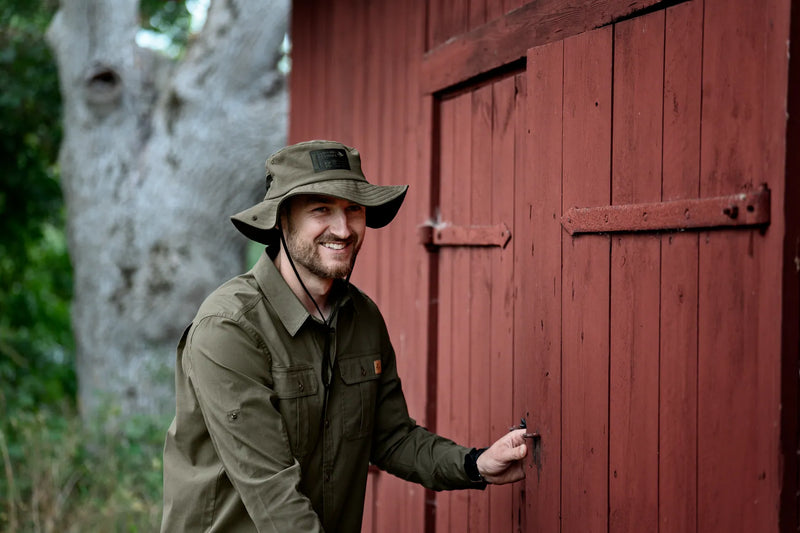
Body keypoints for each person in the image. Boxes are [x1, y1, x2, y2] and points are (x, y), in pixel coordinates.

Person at [161, 140, 529, 532]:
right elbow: (271, 492)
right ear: (282, 220)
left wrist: (475, 464)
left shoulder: (361, 317)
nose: (343, 229)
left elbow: (392, 438)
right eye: (322, 209)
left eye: (353, 209)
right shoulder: (230, 328)